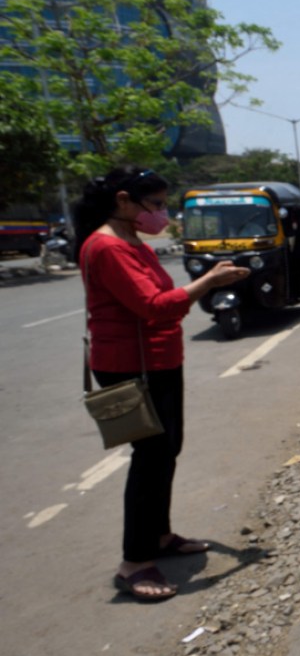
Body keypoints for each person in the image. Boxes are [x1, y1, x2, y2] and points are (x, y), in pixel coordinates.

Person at [76, 167, 250, 601]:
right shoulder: (106, 247)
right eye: (154, 205)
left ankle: (159, 535)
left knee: (166, 450)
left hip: (159, 361)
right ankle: (134, 560)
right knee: (150, 458)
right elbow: (153, 307)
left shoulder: (132, 242)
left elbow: (163, 304)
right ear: (123, 201)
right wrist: (209, 282)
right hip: (131, 365)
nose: (161, 214)